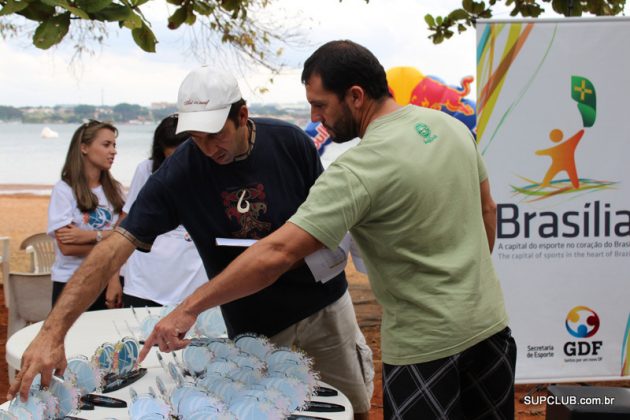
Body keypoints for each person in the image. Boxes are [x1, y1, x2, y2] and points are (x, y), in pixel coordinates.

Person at [137, 40, 516, 418]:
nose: (316, 118)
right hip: (491, 328)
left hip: (426, 347)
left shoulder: (357, 170)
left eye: (320, 105)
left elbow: (277, 253)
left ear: (355, 96)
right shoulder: (450, 127)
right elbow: (488, 210)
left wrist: (189, 308)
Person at [10, 66, 373, 419]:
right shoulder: (181, 172)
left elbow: (329, 223)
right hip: (253, 322)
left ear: (242, 115)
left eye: (216, 134)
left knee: (351, 402)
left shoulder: (290, 142)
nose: (208, 147)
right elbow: (115, 246)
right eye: (196, 137)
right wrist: (52, 332)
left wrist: (188, 307)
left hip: (324, 305)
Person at [121, 115, 207, 307]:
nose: (179, 165)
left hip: (192, 288)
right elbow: (126, 227)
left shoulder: (210, 173)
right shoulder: (146, 170)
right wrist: (113, 280)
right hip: (142, 285)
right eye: (172, 159)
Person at [47, 120, 124, 311]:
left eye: (114, 145)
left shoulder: (116, 191)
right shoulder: (64, 190)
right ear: (84, 148)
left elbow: (126, 239)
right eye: (106, 145)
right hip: (71, 282)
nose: (113, 151)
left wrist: (88, 236)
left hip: (108, 281)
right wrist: (111, 239)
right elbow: (67, 247)